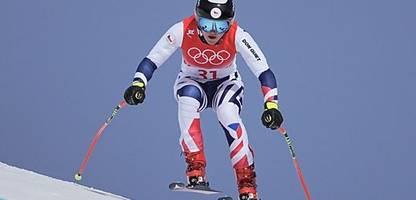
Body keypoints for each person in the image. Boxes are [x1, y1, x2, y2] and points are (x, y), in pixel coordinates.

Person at [123, 0, 283, 199]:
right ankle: (196, 171)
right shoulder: (182, 29)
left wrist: (271, 105)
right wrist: (139, 84)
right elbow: (153, 59)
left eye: (221, 25)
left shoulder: (238, 35)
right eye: (206, 24)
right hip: (192, 81)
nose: (213, 32)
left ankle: (247, 187)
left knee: (228, 113)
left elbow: (264, 71)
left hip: (226, 84)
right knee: (188, 99)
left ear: (231, 22)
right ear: (197, 19)